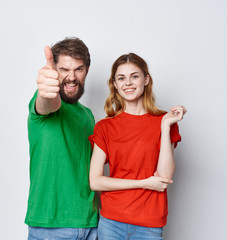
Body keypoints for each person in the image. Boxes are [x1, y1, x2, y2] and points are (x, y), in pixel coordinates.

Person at [89, 53, 186, 240]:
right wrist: (144, 183)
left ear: (146, 79)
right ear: (115, 84)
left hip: (149, 224)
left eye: (134, 76)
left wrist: (165, 126)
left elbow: (164, 176)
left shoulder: (164, 121)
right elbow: (95, 181)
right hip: (111, 223)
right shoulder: (105, 127)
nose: (128, 83)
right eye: (121, 78)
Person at [25, 37, 99, 240]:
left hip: (91, 224)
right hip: (51, 227)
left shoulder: (88, 115)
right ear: (54, 71)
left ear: (87, 70)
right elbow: (48, 102)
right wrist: (46, 92)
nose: (72, 77)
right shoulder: (44, 103)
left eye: (79, 69)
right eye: (64, 69)